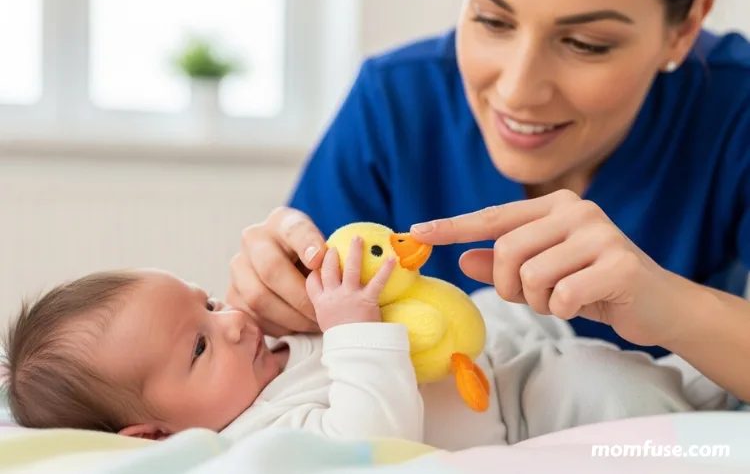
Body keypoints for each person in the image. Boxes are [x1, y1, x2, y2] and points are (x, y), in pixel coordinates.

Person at [227, 0, 750, 405]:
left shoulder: (736, 107)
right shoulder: (396, 102)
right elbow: (290, 367)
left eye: (586, 44)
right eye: (492, 19)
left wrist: (675, 309)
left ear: (684, 27)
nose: (517, 90)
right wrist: (269, 304)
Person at [1, 240, 693, 450]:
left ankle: (692, 372)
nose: (235, 319)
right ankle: (701, 401)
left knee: (514, 314)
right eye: (199, 347)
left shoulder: (259, 353)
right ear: (153, 431)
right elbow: (373, 441)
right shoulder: (262, 436)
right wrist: (354, 330)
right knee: (608, 385)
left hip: (484, 355)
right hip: (513, 408)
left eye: (208, 303)